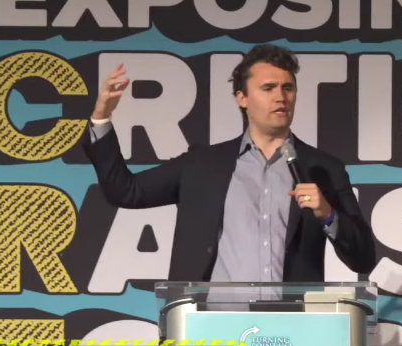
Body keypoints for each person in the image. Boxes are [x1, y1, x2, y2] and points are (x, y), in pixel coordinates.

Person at [81, 44, 376, 307]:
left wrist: (327, 214)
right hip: (209, 326)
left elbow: (363, 258)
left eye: (288, 87)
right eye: (268, 88)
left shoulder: (323, 169)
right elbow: (125, 190)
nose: (280, 97)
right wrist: (101, 118)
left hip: (291, 329)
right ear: (242, 98)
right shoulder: (202, 164)